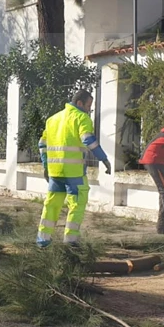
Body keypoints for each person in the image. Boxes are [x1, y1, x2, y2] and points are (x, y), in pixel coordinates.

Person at [36, 89, 112, 248]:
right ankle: (70, 242)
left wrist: (45, 165)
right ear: (79, 103)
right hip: (74, 173)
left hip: (55, 172)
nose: (89, 110)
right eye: (88, 106)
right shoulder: (81, 117)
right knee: (76, 206)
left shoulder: (53, 119)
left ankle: (43, 241)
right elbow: (88, 140)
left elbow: (42, 144)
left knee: (51, 205)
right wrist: (103, 159)